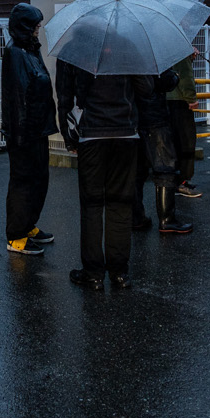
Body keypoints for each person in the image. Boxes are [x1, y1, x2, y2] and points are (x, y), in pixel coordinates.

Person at [55, 60, 143, 289]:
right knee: (121, 203)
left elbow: (64, 95)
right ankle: (119, 272)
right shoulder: (128, 49)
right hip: (125, 132)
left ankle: (93, 273)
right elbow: (146, 89)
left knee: (92, 205)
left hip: (91, 133)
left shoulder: (75, 50)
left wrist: (68, 136)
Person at [0, 3, 58, 254]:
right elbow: (18, 96)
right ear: (25, 26)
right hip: (24, 132)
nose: (38, 28)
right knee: (23, 182)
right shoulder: (15, 53)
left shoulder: (30, 50)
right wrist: (21, 134)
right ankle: (16, 235)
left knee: (39, 179)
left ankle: (28, 224)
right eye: (35, 24)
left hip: (37, 129)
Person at [137, 65, 193, 235]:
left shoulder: (123, 59)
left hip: (132, 119)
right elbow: (164, 82)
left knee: (137, 170)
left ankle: (136, 217)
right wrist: (175, 76)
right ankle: (167, 219)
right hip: (155, 117)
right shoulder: (151, 58)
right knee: (165, 167)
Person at [167, 55, 202, 202]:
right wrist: (191, 98)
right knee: (186, 142)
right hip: (180, 101)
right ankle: (181, 182)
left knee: (173, 143)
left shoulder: (164, 48)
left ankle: (174, 181)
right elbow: (185, 76)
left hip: (166, 100)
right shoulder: (181, 51)